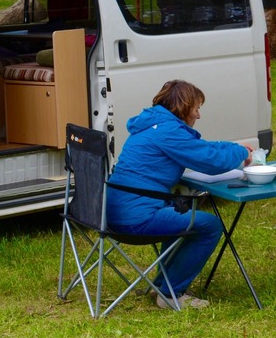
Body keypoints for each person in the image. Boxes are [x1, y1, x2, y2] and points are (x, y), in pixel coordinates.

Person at [105, 80, 253, 309]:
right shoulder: (169, 132)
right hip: (136, 219)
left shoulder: (152, 125)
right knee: (209, 225)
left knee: (178, 215)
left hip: (116, 213)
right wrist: (241, 152)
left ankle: (162, 286)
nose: (199, 115)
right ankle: (172, 294)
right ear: (183, 107)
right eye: (197, 108)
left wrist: (235, 147)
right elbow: (211, 161)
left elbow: (202, 148)